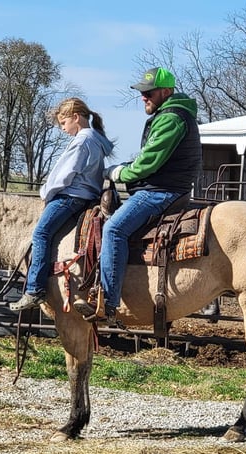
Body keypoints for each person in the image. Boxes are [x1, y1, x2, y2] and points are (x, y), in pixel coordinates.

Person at [75, 66, 202, 325]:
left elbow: (148, 162)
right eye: (142, 93)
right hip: (163, 186)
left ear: (166, 91)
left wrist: (118, 172)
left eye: (150, 92)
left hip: (161, 191)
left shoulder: (171, 118)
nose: (144, 97)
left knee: (113, 230)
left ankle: (107, 303)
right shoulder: (172, 114)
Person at [10, 97, 113, 312]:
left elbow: (65, 175)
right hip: (85, 196)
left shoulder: (82, 141)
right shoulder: (94, 140)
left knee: (41, 234)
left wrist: (46, 192)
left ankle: (35, 289)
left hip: (70, 196)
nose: (63, 129)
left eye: (64, 123)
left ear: (76, 118)